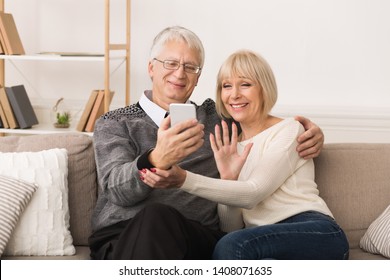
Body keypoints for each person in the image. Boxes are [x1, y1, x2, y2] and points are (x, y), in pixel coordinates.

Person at [88, 26, 325, 260]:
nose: (180, 74)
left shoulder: (216, 118)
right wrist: (156, 158)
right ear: (151, 68)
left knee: (160, 218)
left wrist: (310, 131)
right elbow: (116, 190)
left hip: (197, 237)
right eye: (170, 63)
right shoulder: (115, 121)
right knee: (155, 217)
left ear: (198, 78)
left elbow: (260, 121)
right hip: (122, 235)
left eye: (190, 67)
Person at [141, 49, 349, 260]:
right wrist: (229, 179)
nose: (234, 95)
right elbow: (231, 227)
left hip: (313, 230)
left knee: (232, 245)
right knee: (233, 244)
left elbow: (252, 193)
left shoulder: (289, 130)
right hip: (261, 241)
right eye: (226, 86)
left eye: (246, 84)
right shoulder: (230, 146)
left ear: (264, 89)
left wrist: (182, 180)